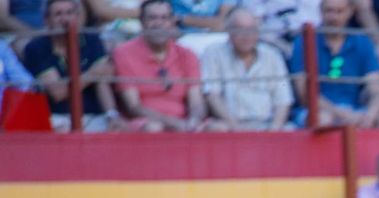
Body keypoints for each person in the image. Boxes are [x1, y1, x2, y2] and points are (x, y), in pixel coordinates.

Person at [22, 0, 121, 131]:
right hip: (56, 117)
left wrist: (111, 115)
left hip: (94, 115)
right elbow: (58, 92)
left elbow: (102, 81)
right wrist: (92, 74)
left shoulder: (92, 40)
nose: (65, 19)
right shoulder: (37, 47)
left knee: (119, 129)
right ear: (47, 20)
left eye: (70, 13)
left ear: (78, 17)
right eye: (58, 14)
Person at [114, 0, 211, 130]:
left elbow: (196, 102)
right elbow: (134, 107)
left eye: (164, 18)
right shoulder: (124, 53)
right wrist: (174, 123)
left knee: (217, 128)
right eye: (152, 18)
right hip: (145, 123)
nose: (158, 23)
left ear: (172, 22)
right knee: (154, 128)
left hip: (183, 121)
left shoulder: (187, 54)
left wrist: (193, 121)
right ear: (142, 22)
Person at [289, 0, 379, 126]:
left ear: (350, 12)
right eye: (329, 11)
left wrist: (370, 116)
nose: (334, 17)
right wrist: (338, 113)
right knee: (324, 120)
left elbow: (376, 88)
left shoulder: (362, 42)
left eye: (339, 11)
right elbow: (304, 94)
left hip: (354, 110)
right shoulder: (303, 42)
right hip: (315, 111)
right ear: (321, 12)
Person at [202, 5, 293, 127]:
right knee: (214, 128)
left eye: (251, 29)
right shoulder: (213, 54)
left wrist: (274, 131)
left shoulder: (272, 55)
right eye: (239, 29)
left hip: (267, 125)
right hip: (230, 125)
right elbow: (212, 95)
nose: (246, 35)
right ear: (228, 31)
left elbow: (283, 100)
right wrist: (236, 128)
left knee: (291, 130)